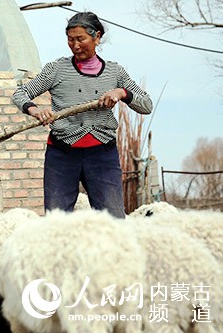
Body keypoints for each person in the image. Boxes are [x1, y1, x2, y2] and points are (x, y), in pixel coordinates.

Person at [12, 12, 153, 219]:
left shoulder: (115, 73)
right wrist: (34, 109)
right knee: (57, 221)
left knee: (113, 220)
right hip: (62, 155)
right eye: (70, 39)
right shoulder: (56, 69)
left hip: (102, 155)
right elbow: (20, 93)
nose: (75, 45)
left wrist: (122, 93)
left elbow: (146, 105)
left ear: (97, 37)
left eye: (81, 39)